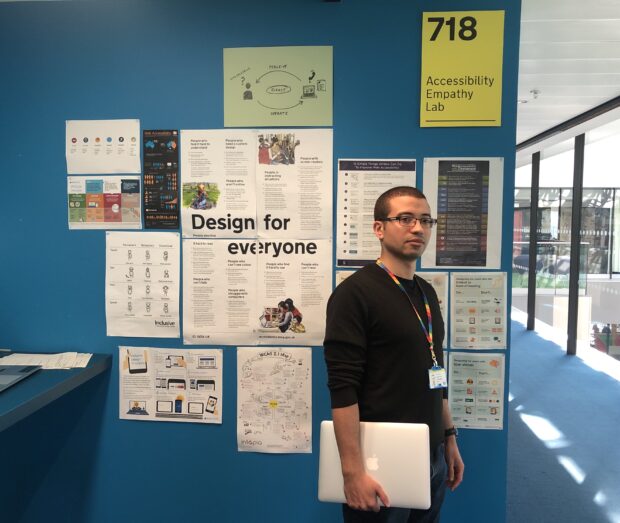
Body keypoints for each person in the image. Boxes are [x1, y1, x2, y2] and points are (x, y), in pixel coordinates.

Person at [324, 186, 464, 523]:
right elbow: (343, 390)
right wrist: (352, 473)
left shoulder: (427, 293)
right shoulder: (354, 294)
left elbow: (436, 371)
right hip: (380, 458)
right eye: (405, 219)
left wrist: (449, 438)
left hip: (431, 456)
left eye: (426, 220)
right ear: (379, 228)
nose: (418, 228)